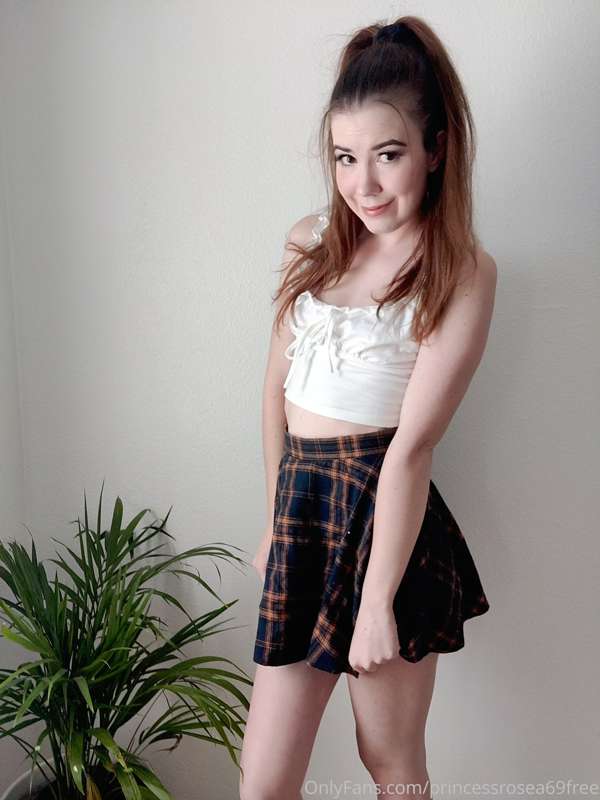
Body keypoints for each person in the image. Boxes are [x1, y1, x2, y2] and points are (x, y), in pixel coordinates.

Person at [239, 15, 497, 800]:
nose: (366, 186)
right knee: (264, 781)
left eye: (388, 155)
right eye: (346, 158)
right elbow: (274, 393)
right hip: (304, 507)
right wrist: (276, 519)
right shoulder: (309, 241)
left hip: (386, 520)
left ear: (435, 148)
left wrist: (378, 600)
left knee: (390, 763)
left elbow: (413, 447)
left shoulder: (461, 270)